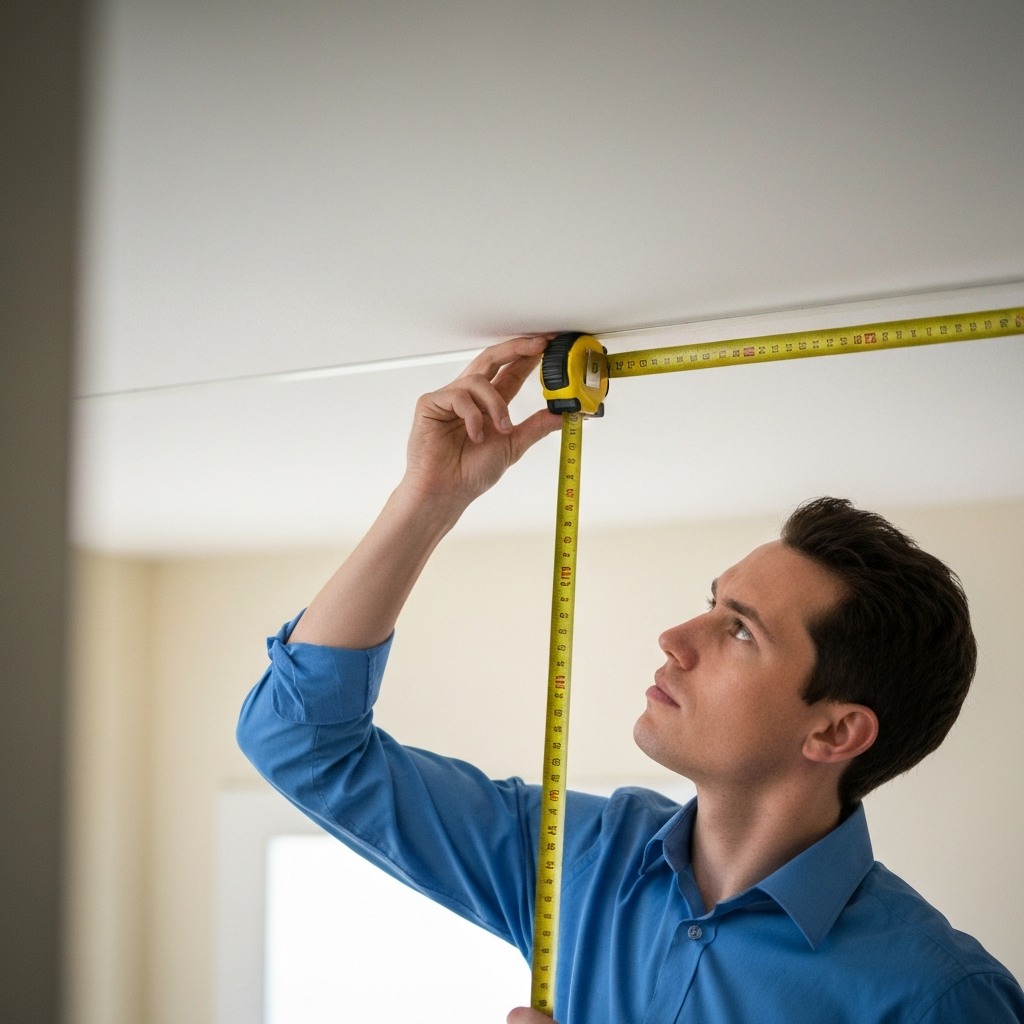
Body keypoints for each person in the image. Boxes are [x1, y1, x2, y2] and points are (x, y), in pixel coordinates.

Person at [237, 335, 1023, 1023]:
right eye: (711, 605)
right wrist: (428, 500)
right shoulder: (578, 858)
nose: (677, 639)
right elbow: (302, 744)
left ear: (835, 730)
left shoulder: (938, 997)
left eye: (741, 630)